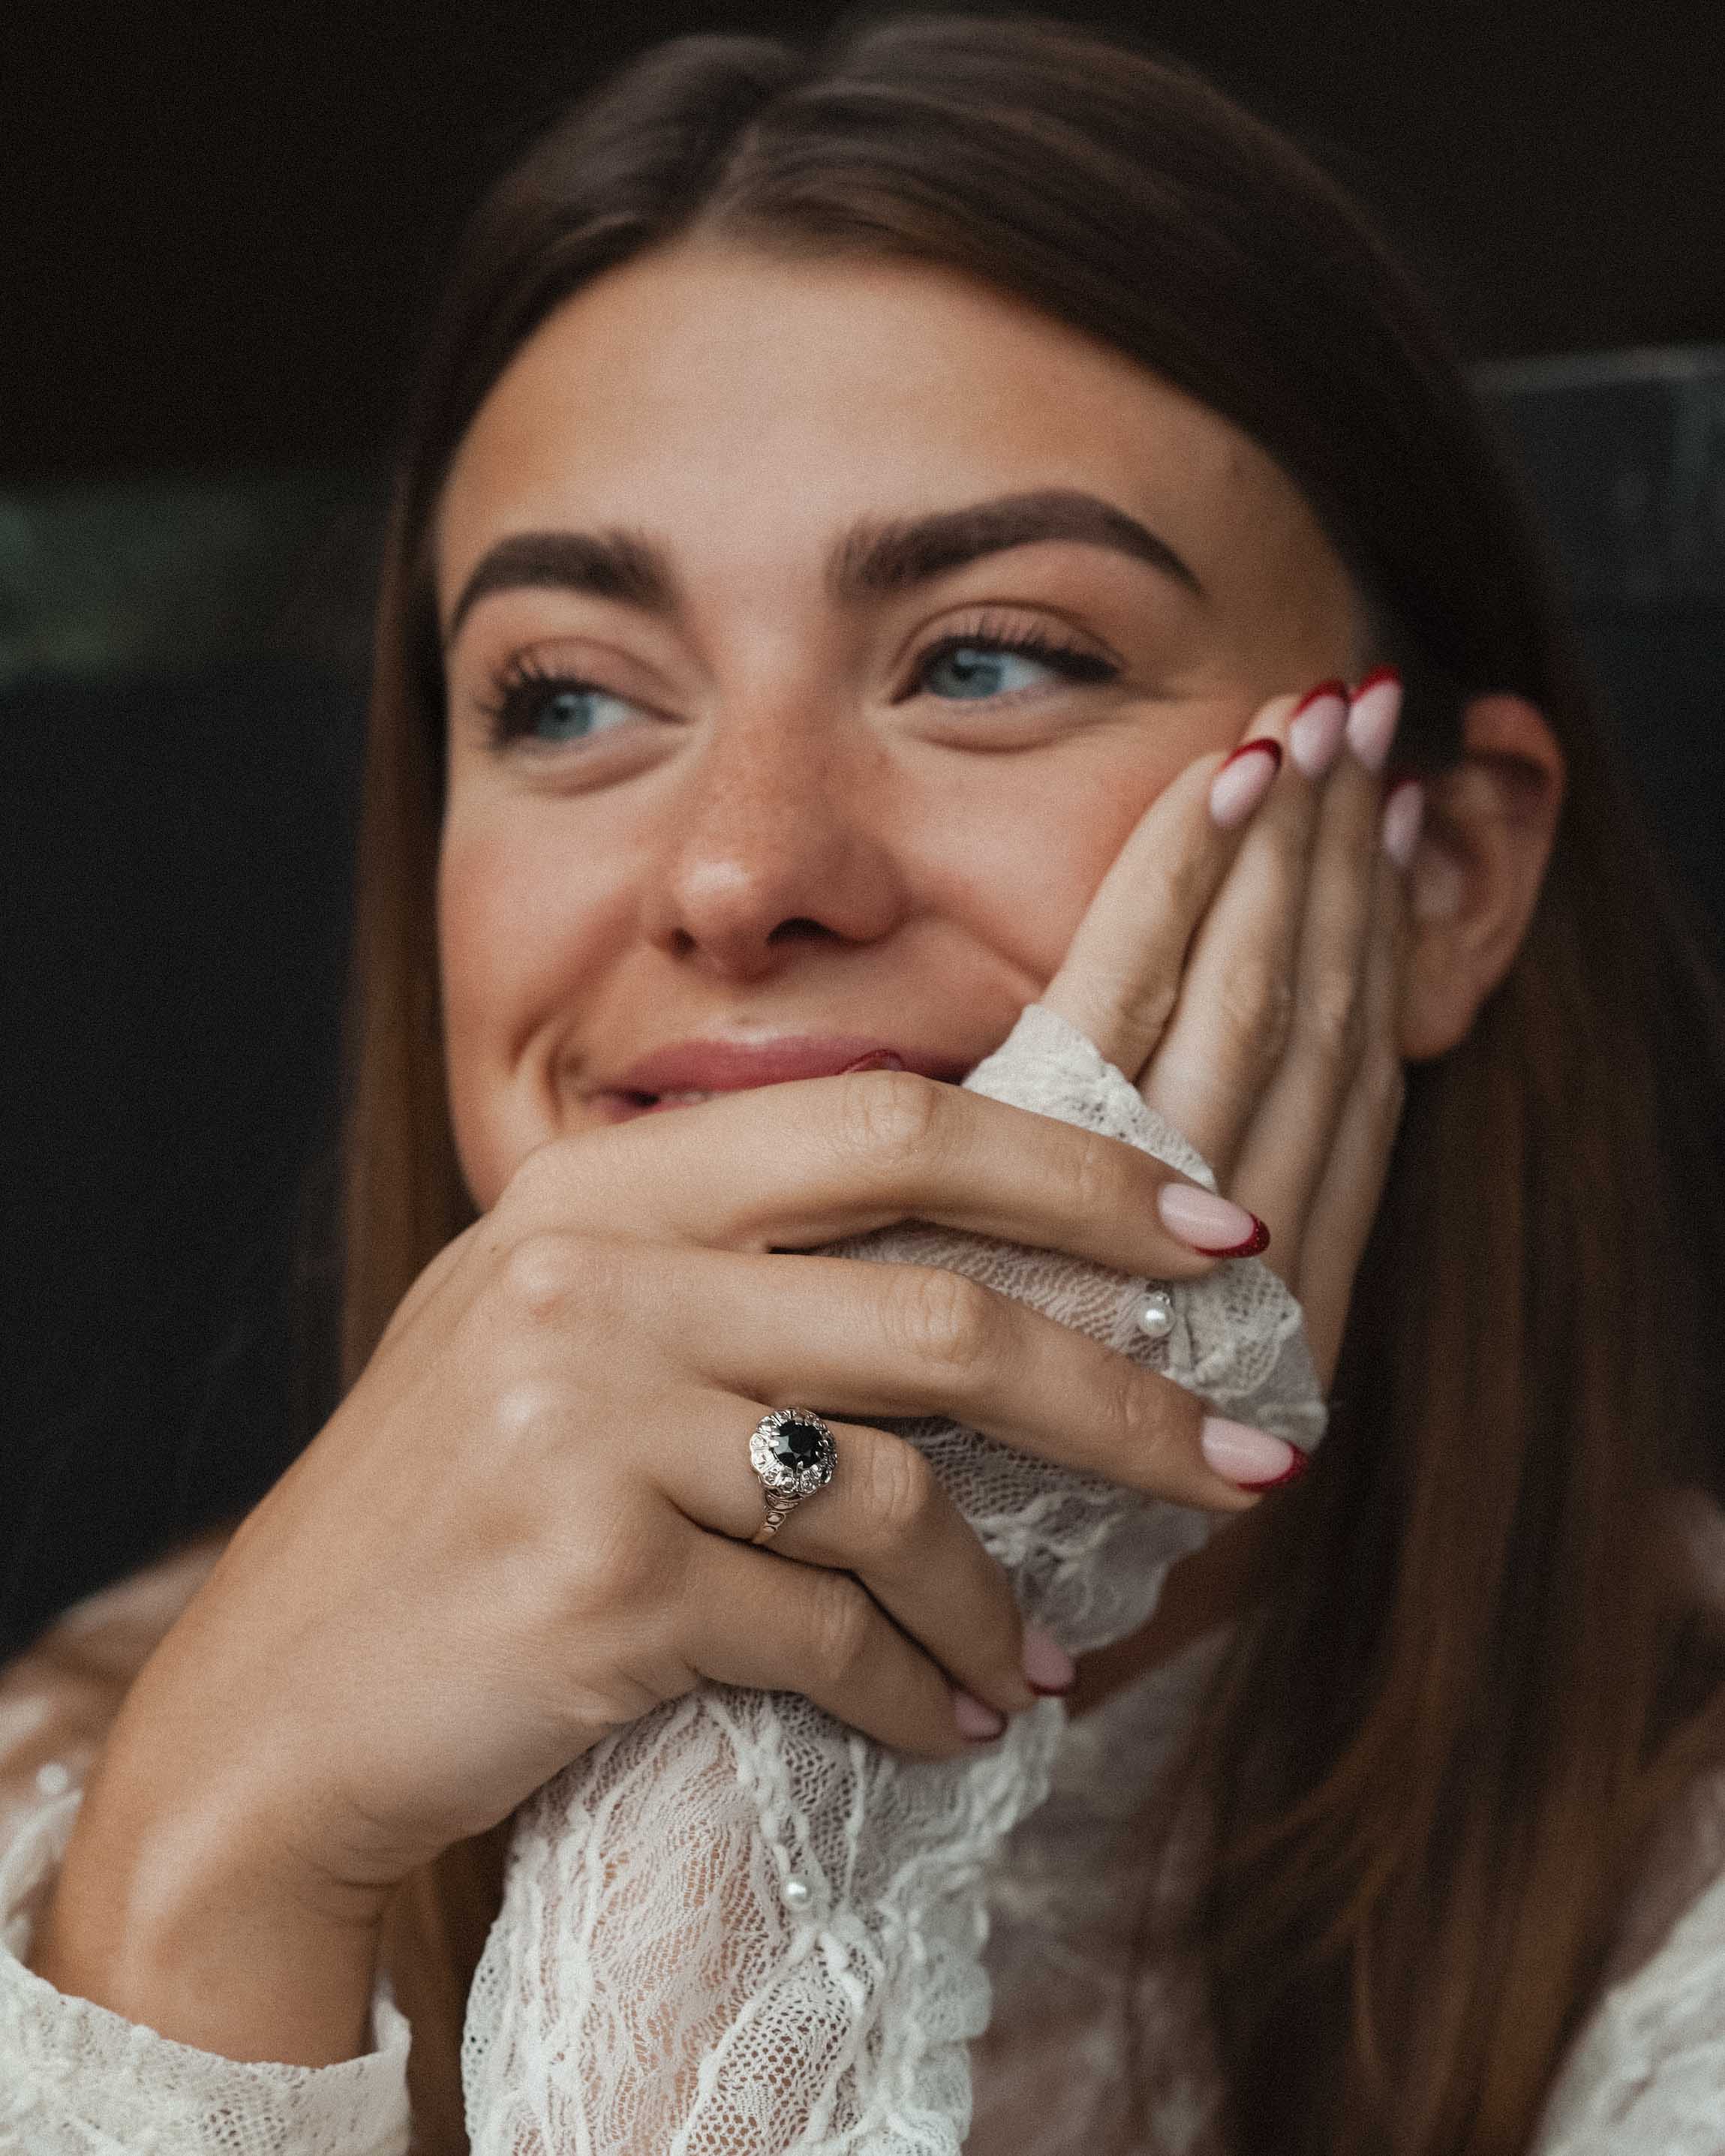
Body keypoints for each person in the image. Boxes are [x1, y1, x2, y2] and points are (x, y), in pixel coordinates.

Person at [4, 11, 1724, 2152]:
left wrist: (772, 1744)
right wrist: (196, 1901)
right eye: (564, 698)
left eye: (988, 656)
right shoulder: (64, 1802)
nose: (738, 873)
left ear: (1444, 873)